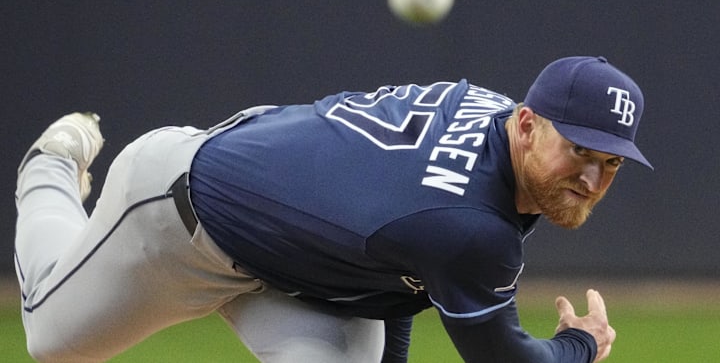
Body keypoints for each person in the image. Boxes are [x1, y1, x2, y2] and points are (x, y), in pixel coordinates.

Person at [14, 55, 652, 363]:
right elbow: (507, 360)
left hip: (304, 266)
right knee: (52, 344)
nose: (594, 177)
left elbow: (401, 267)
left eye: (612, 161)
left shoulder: (489, 116)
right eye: (579, 149)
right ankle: (49, 165)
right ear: (527, 123)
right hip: (183, 218)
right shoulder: (472, 227)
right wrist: (579, 346)